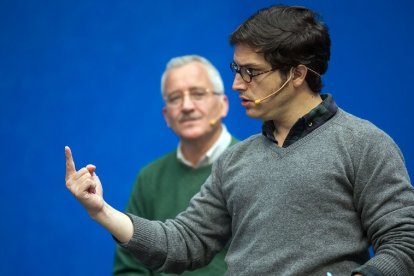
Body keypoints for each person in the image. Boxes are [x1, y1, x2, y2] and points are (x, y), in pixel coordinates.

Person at [65, 5, 414, 276]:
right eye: (236, 71)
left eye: (251, 72)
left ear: (297, 74)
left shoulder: (363, 143)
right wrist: (102, 211)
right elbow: (183, 243)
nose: (237, 85)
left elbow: (404, 242)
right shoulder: (235, 161)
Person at [112, 55, 238, 275]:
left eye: (198, 94)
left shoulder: (250, 164)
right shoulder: (150, 178)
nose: (187, 106)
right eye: (175, 98)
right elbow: (130, 268)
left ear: (223, 105)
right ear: (166, 116)